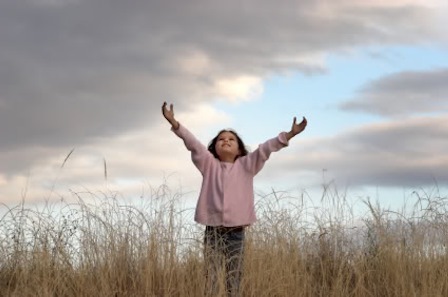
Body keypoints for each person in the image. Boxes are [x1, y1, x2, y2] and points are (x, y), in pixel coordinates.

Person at [161, 101, 307, 297]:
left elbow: (266, 148)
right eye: (221, 139)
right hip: (213, 232)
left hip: (236, 233)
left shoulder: (247, 165)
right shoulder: (209, 165)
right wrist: (175, 123)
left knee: (234, 279)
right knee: (211, 278)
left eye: (231, 139)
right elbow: (193, 144)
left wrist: (289, 135)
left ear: (239, 150)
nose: (226, 141)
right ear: (214, 149)